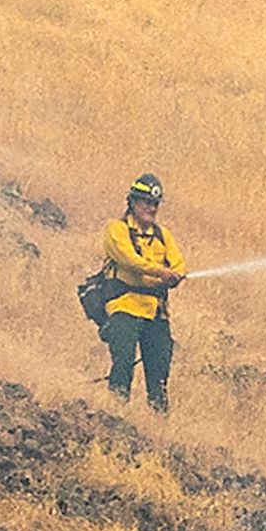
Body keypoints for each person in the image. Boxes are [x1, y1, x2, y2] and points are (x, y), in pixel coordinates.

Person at [98, 173, 188, 413]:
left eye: (155, 204)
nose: (151, 208)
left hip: (156, 314)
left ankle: (158, 425)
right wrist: (160, 272)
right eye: (146, 202)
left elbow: (179, 263)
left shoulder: (162, 235)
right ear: (132, 202)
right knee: (124, 363)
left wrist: (175, 275)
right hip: (124, 308)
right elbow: (129, 260)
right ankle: (115, 415)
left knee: (159, 374)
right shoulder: (116, 229)